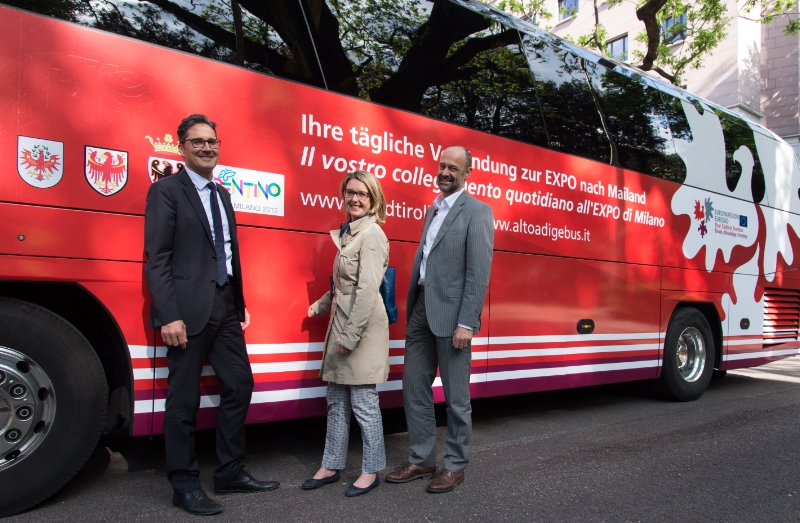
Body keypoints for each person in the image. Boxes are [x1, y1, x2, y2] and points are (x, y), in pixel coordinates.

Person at [144, 114, 278, 516]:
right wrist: (169, 315)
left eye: (212, 141)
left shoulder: (222, 194)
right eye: (197, 141)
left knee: (239, 383)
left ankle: (229, 473)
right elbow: (158, 258)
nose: (207, 147)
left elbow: (228, 252)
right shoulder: (166, 190)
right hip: (185, 311)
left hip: (224, 305)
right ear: (182, 148)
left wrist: (237, 301)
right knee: (183, 401)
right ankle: (184, 485)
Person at [385, 146, 494, 493]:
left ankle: (456, 465)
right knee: (414, 388)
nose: (445, 172)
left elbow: (478, 272)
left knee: (456, 398)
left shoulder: (477, 211)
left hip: (453, 315)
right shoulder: (432, 209)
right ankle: (422, 459)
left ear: (467, 173)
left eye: (453, 168)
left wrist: (467, 322)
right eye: (442, 166)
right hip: (421, 308)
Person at [304, 170, 390, 497]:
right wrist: (323, 304)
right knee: (336, 400)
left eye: (362, 194)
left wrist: (351, 336)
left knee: (364, 402)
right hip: (342, 322)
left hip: (360, 329)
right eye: (350, 192)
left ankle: (371, 470)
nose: (355, 199)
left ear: (373, 199)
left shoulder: (372, 234)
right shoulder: (350, 232)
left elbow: (367, 290)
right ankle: (331, 465)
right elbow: (345, 283)